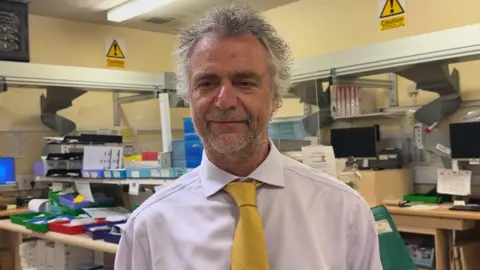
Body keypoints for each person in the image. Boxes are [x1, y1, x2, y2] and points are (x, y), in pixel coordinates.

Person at [114, 5, 382, 270]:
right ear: (189, 97)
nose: (225, 101)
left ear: (275, 97)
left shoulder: (343, 210)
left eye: (245, 83)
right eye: (207, 83)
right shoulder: (148, 227)